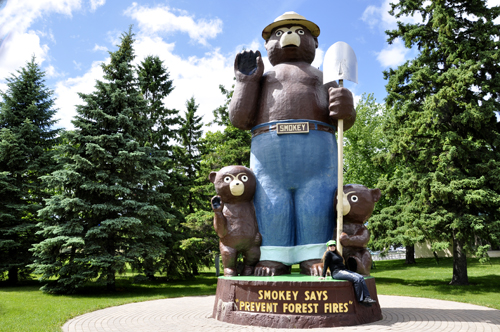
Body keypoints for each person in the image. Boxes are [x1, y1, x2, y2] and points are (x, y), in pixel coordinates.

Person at [319, 240, 377, 306]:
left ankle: (367, 297)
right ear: (328, 247)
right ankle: (360, 300)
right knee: (356, 279)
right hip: (337, 273)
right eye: (330, 245)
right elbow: (326, 265)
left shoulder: (337, 253)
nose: (332, 247)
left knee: (360, 277)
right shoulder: (328, 253)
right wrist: (323, 276)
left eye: (333, 245)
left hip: (344, 270)